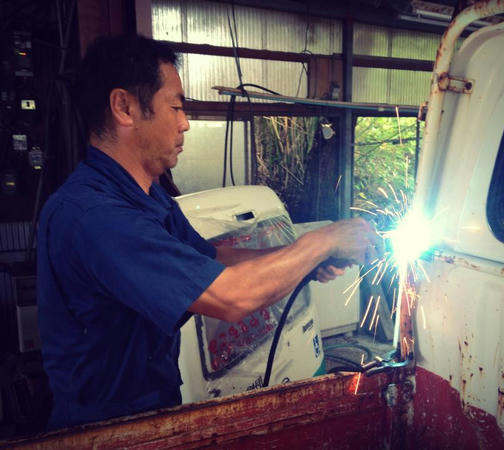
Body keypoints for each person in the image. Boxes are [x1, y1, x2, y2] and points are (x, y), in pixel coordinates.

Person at [36, 34, 380, 430]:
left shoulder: (147, 197)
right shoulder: (96, 217)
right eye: (176, 107)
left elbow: (214, 259)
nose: (184, 123)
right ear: (125, 107)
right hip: (106, 429)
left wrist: (305, 262)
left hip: (153, 408)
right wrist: (321, 241)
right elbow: (229, 295)